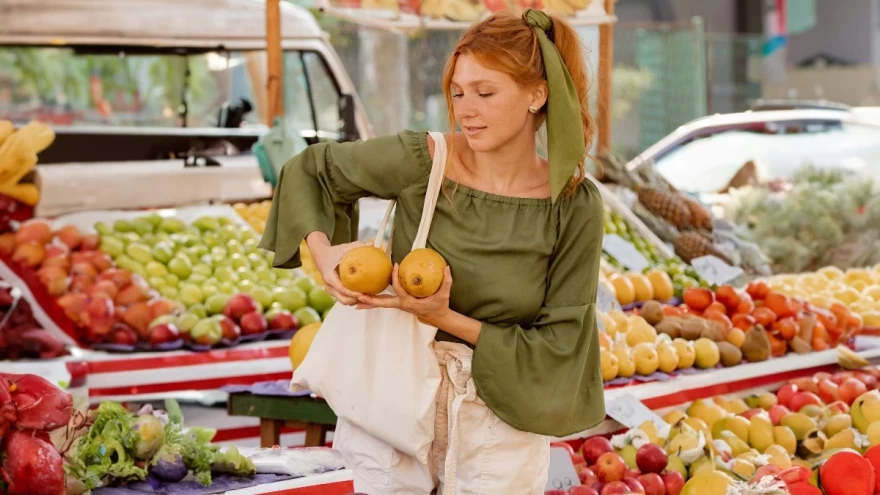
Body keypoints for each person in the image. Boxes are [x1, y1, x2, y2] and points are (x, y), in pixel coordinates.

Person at [259, 9, 605, 494]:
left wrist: (441, 314)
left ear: (536, 94)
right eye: (458, 92)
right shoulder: (424, 161)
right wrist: (325, 254)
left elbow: (561, 346)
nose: (465, 109)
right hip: (392, 410)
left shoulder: (573, 206)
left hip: (497, 431)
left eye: (485, 93)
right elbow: (311, 170)